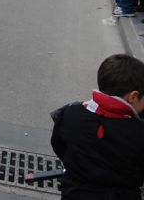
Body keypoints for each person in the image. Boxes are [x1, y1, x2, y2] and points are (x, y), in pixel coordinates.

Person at [51, 54, 144, 200]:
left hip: (75, 192)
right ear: (133, 96)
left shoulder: (70, 114)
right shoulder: (138, 132)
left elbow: (58, 145)